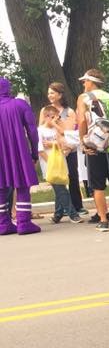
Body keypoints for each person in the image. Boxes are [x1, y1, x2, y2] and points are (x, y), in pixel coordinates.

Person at [76, 69, 109, 231]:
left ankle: (104, 220)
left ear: (91, 81)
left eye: (85, 81)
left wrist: (84, 143)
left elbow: (82, 122)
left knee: (98, 186)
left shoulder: (83, 98)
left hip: (94, 147)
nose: (84, 84)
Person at [0, 76, 41, 236]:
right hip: (18, 149)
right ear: (8, 88)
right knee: (22, 183)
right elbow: (32, 130)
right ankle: (24, 222)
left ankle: (3, 224)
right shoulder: (19, 104)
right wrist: (34, 152)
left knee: (1, 186)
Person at [46, 82, 86, 215]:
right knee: (58, 179)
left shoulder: (69, 112)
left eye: (52, 92)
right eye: (49, 93)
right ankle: (62, 208)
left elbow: (68, 132)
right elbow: (42, 128)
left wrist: (56, 124)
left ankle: (77, 205)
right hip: (55, 150)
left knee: (72, 177)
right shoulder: (46, 110)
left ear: (60, 94)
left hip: (69, 148)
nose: (49, 95)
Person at [38, 105, 83, 222]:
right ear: (46, 117)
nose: (55, 120)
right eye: (53, 117)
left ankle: (57, 215)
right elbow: (40, 149)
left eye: (57, 118)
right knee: (61, 189)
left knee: (60, 187)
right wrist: (50, 162)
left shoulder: (56, 129)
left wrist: (53, 143)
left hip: (61, 162)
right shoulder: (40, 130)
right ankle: (73, 214)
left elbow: (64, 143)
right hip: (49, 163)